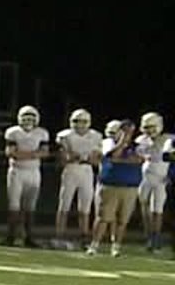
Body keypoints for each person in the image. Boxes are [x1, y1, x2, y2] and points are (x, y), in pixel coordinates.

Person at [90, 118, 141, 258]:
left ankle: (116, 247)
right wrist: (122, 142)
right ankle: (94, 245)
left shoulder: (137, 145)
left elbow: (138, 160)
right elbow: (113, 155)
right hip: (110, 185)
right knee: (103, 217)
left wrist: (119, 160)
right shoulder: (108, 142)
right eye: (125, 130)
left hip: (130, 186)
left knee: (122, 220)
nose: (128, 133)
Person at [2, 105, 50, 248]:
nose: (28, 121)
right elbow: (11, 153)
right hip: (16, 171)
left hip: (33, 172)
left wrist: (22, 154)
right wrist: (34, 154)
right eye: (25, 118)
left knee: (30, 206)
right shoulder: (13, 132)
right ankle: (10, 236)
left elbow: (45, 152)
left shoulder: (42, 133)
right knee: (14, 205)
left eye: (31, 118)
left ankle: (29, 237)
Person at [55, 109, 100, 245]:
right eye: (76, 121)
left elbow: (96, 160)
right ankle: (59, 236)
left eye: (82, 121)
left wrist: (85, 158)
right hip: (71, 170)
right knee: (64, 204)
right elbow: (62, 159)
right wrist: (71, 157)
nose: (79, 125)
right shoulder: (65, 136)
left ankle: (84, 236)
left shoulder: (95, 136)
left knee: (85, 206)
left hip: (86, 171)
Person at [136, 112, 172, 252]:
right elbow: (138, 157)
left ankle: (156, 238)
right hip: (145, 177)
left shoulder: (168, 139)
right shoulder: (141, 140)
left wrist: (171, 174)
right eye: (147, 127)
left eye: (152, 126)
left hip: (161, 178)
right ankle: (149, 236)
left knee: (157, 209)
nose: (150, 130)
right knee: (144, 207)